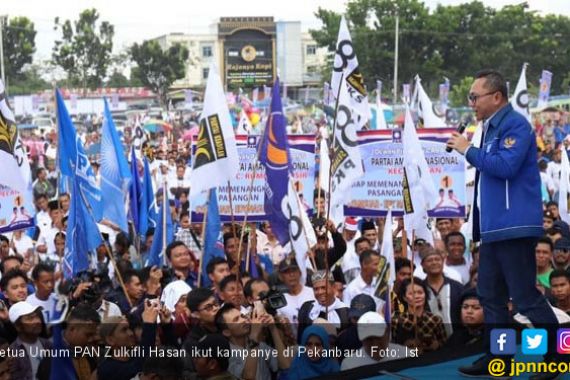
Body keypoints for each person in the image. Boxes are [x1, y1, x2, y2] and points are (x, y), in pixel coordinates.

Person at [447, 69, 560, 378]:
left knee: (524, 296)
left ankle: (555, 357)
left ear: (496, 97)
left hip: (514, 225)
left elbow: (506, 167)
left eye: (474, 96)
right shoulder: (487, 127)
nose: (471, 102)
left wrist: (467, 149)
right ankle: (500, 356)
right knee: (489, 295)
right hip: (494, 227)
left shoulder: (515, 125)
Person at [392, 278, 447, 355]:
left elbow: (445, 346)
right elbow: (391, 347)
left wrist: (436, 345)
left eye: (420, 292)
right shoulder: (396, 320)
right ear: (404, 297)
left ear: (425, 294)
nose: (417, 296)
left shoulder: (435, 319)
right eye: (412, 294)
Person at [420, 247, 464, 337]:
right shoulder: (420, 289)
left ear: (443, 262)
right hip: (430, 342)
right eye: (429, 260)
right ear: (423, 265)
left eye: (437, 259)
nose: (434, 262)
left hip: (457, 340)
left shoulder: (457, 287)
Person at [341, 311, 408, 370]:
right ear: (361, 340)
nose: (375, 344)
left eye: (378, 338)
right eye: (369, 339)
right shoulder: (349, 366)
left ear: (387, 333)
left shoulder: (406, 355)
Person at [298, 270, 349, 341]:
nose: (320, 292)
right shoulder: (307, 308)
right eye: (316, 289)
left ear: (333, 287)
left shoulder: (345, 312)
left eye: (323, 288)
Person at [8, 302, 51, 380]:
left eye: (36, 316)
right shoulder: (12, 352)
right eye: (30, 318)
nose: (37, 321)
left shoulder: (48, 344)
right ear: (18, 326)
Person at [277, 257, 315, 326]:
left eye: (294, 270)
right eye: (287, 272)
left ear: (300, 272)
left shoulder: (313, 293)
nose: (291, 275)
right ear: (280, 276)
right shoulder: (280, 301)